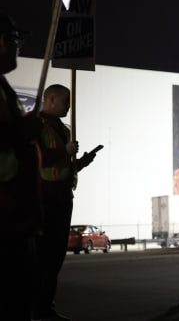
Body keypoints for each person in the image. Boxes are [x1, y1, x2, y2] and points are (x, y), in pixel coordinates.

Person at [33, 84, 98, 321]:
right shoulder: (36, 125)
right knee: (42, 256)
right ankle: (36, 308)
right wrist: (64, 151)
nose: (69, 106)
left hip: (63, 198)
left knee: (56, 257)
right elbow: (36, 158)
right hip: (44, 198)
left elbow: (65, 167)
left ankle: (45, 307)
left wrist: (82, 162)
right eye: (65, 101)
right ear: (50, 99)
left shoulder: (64, 130)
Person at [0, 13, 42, 321]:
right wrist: (20, 131)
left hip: (14, 216)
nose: (16, 47)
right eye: (15, 39)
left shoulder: (3, 87)